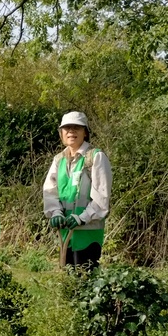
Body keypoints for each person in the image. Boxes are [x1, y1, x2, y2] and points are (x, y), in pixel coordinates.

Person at [42, 110, 112, 269]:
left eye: (77, 128)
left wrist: (82, 217)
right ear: (61, 133)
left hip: (87, 234)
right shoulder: (59, 160)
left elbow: (102, 197)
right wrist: (56, 213)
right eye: (67, 128)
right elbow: (50, 191)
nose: (71, 131)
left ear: (85, 133)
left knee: (85, 282)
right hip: (66, 232)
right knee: (68, 282)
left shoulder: (95, 157)